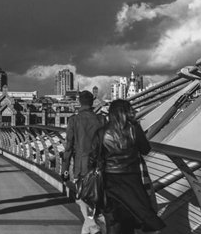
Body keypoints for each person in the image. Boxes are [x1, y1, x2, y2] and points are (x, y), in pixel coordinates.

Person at [94, 99, 166, 234]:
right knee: (135, 215)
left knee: (113, 219)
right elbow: (145, 149)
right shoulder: (134, 129)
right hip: (132, 179)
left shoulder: (101, 132)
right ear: (127, 112)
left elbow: (94, 156)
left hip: (109, 180)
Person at [63, 91, 106, 234]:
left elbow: (68, 147)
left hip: (80, 167)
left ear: (79, 102)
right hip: (99, 166)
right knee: (95, 197)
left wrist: (64, 170)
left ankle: (93, 226)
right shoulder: (101, 119)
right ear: (92, 102)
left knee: (83, 198)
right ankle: (90, 227)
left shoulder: (73, 120)